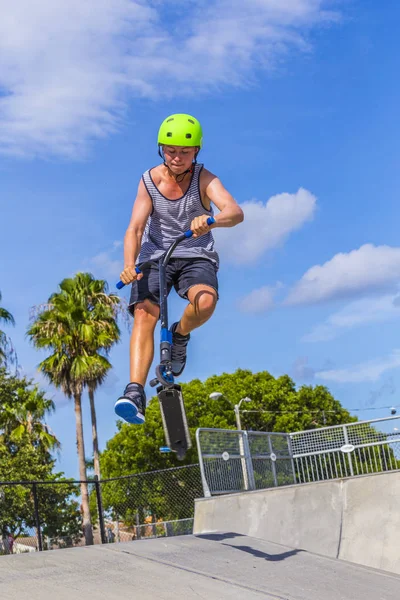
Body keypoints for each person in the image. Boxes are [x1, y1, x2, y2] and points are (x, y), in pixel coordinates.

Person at [115, 113, 244, 424]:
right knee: (145, 312)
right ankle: (135, 391)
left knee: (205, 302)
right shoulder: (149, 181)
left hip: (195, 254)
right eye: (170, 150)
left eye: (184, 152)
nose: (176, 157)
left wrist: (212, 219)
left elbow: (235, 212)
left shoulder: (205, 179)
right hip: (156, 256)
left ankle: (180, 336)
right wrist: (129, 265)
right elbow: (134, 228)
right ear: (161, 149)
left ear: (196, 151)